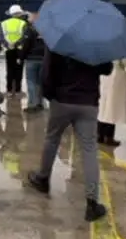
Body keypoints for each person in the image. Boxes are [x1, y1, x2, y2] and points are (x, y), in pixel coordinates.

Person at [26, 47, 112, 222]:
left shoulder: (58, 42)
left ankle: (43, 178)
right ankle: (92, 203)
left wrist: (52, 96)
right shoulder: (93, 43)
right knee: (89, 150)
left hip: (62, 100)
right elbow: (107, 69)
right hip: (88, 101)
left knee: (52, 139)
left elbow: (47, 74)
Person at [98, 58, 126, 147]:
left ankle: (99, 134)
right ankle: (109, 136)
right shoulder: (119, 46)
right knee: (112, 108)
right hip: (116, 75)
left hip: (104, 76)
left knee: (103, 107)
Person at [19, 12, 46, 113]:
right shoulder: (46, 29)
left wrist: (21, 57)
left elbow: (26, 44)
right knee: (40, 82)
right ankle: (40, 103)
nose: (28, 18)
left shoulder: (29, 29)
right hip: (44, 58)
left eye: (30, 17)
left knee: (31, 81)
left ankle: (32, 104)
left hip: (31, 58)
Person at [0, 5, 28, 97]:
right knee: (18, 70)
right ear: (18, 13)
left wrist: (8, 45)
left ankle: (8, 91)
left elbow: (1, 37)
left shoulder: (4, 23)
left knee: (9, 69)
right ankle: (17, 91)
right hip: (19, 50)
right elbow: (24, 37)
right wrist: (16, 44)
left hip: (8, 49)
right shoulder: (23, 23)